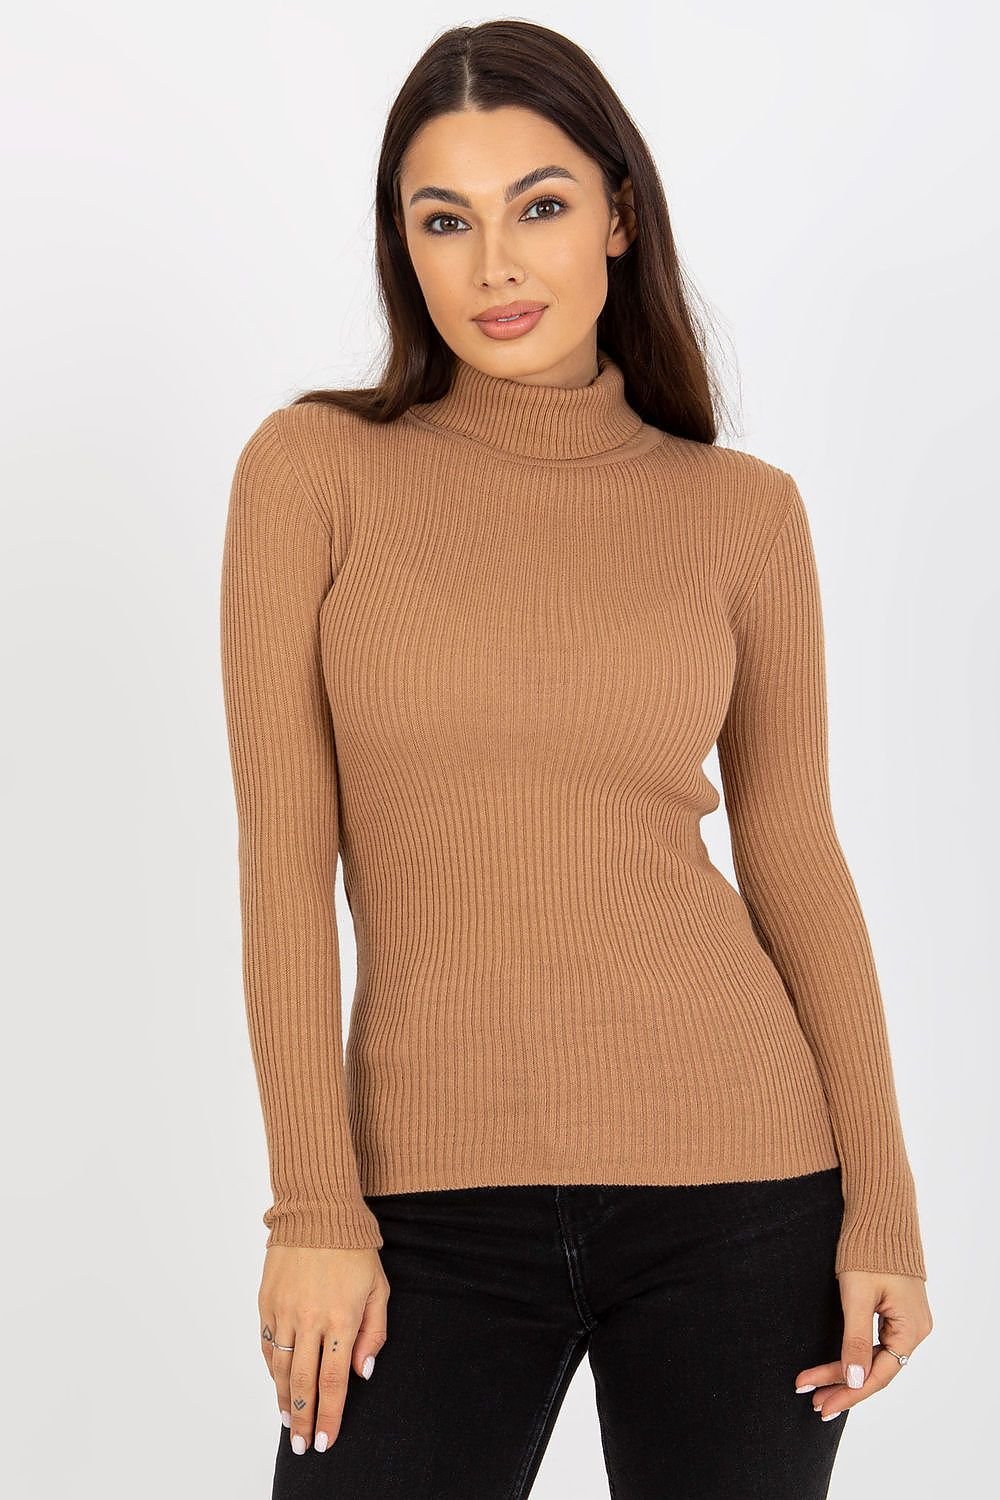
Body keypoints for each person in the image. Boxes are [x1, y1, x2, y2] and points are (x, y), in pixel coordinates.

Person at [219, 19, 933, 1499]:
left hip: (744, 1184)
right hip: (419, 1203)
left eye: (538, 205)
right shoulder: (312, 472)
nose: (496, 264)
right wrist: (313, 1208)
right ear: (402, 248)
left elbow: (792, 850)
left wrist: (886, 1209)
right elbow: (283, 866)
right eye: (444, 220)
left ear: (618, 214)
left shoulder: (742, 510)